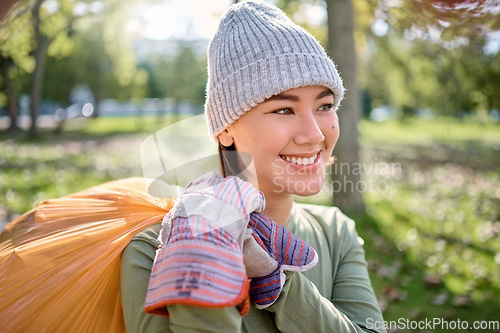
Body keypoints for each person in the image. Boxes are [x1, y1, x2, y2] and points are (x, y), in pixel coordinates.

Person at [120, 1, 386, 332]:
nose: (315, 134)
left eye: (325, 105)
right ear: (225, 129)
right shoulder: (152, 250)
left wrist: (276, 279)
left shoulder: (336, 232)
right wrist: (203, 255)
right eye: (284, 110)